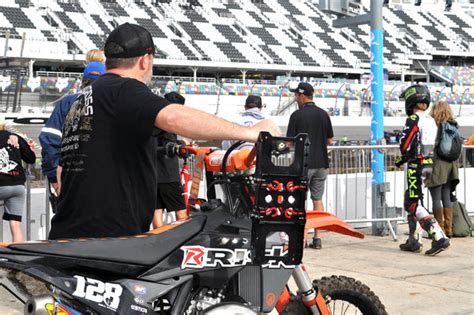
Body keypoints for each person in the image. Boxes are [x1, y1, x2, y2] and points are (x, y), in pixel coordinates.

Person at [48, 23, 279, 240]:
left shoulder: (85, 98)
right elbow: (174, 116)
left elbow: (62, 169)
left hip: (71, 231)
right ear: (145, 61)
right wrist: (252, 133)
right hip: (106, 237)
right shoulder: (124, 89)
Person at [395, 84, 450, 256]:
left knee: (413, 203)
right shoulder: (431, 120)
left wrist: (404, 155)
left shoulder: (413, 119)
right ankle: (414, 239)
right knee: (413, 199)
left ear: (411, 101)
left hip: (415, 166)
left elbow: (405, 145)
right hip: (428, 165)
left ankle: (438, 236)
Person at [39, 61, 106, 196]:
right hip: (103, 178)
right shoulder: (111, 103)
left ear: (83, 80)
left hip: (70, 175)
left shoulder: (67, 102)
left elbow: (49, 139)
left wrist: (54, 176)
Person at [287, 82, 333, 249]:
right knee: (317, 200)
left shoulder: (296, 116)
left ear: (301, 95)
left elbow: (291, 143)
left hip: (304, 164)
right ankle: (317, 237)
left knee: (301, 200)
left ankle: (303, 237)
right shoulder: (324, 114)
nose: (295, 98)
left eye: (296, 95)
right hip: (322, 163)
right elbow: (329, 140)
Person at [153, 92, 187, 228]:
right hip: (168, 174)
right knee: (181, 211)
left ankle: (158, 242)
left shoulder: (154, 118)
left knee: (156, 210)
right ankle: (183, 240)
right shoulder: (169, 121)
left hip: (152, 173)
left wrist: (179, 142)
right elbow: (169, 146)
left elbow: (158, 142)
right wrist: (180, 147)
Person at [425, 101, 459, 238]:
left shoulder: (434, 125)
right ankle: (448, 229)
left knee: (436, 198)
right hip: (451, 165)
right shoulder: (453, 125)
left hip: (437, 164)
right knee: (446, 197)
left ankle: (439, 231)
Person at [0, 122, 36, 242]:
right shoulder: (15, 137)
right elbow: (31, 159)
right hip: (17, 186)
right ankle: (18, 256)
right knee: (15, 225)